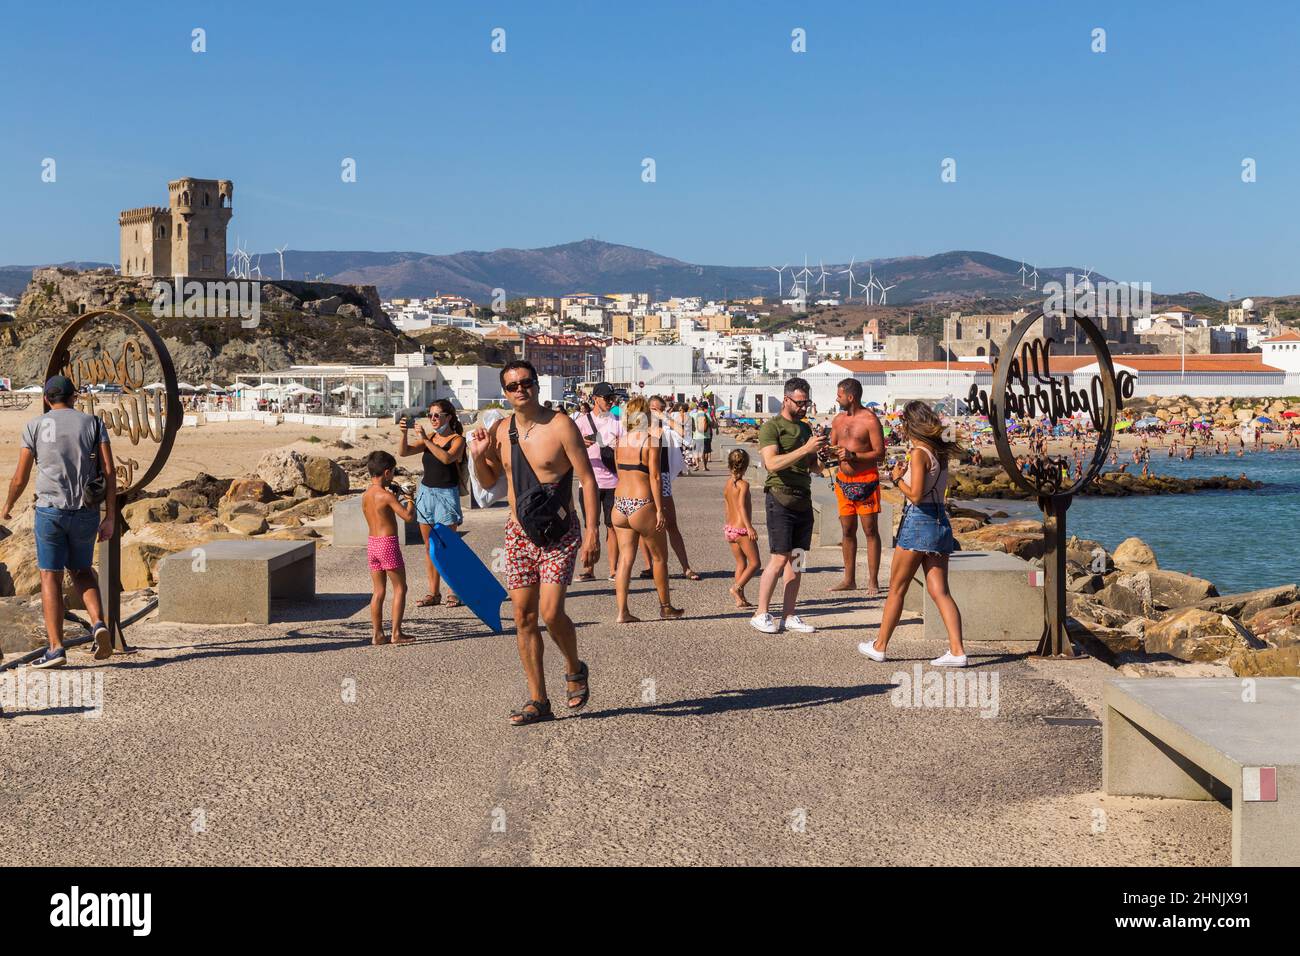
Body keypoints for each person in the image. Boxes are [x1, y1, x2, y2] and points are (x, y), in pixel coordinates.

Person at [468, 360, 600, 726]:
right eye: (512, 386)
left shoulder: (561, 426)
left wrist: (592, 531)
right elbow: (490, 480)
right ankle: (538, 700)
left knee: (551, 612)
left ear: (537, 386)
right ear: (505, 392)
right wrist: (478, 458)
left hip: (559, 533)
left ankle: (574, 667)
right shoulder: (499, 430)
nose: (520, 389)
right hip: (518, 532)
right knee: (523, 616)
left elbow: (587, 481)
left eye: (526, 383)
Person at [2, 375, 116, 667]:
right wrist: (111, 516)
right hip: (85, 511)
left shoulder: (35, 426)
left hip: (50, 511)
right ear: (74, 396)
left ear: (45, 399)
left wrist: (7, 506)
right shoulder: (93, 423)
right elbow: (110, 470)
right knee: (81, 570)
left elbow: (20, 477)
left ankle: (55, 648)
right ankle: (98, 623)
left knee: (49, 576)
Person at [858, 400, 967, 667]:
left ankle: (880, 646)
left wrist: (896, 480)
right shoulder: (939, 453)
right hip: (940, 520)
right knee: (940, 590)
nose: (900, 428)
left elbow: (916, 495)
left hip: (919, 522)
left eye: (902, 423)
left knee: (897, 588)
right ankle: (957, 650)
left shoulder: (919, 454)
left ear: (910, 424)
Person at [751, 377, 825, 634]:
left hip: (802, 496)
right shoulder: (772, 427)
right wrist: (805, 449)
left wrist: (828, 458)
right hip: (780, 496)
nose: (804, 407)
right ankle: (761, 612)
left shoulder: (805, 429)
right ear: (786, 400)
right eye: (800, 402)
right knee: (779, 557)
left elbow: (814, 466)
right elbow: (772, 464)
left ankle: (789, 614)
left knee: (797, 559)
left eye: (807, 402)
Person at [610, 396, 684, 622]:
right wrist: (660, 509)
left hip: (620, 504)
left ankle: (622, 612)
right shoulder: (651, 441)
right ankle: (666, 607)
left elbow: (619, 474)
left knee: (625, 559)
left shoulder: (619, 442)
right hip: (642, 503)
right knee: (659, 558)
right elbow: (654, 477)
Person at [398, 399, 466, 608]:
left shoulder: (458, 440)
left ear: (449, 417)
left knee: (447, 546)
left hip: (446, 495)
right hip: (426, 494)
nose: (433, 419)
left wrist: (426, 440)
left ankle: (454, 591)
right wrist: (404, 433)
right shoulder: (430, 438)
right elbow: (404, 452)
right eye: (430, 415)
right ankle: (433, 592)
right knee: (429, 547)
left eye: (437, 415)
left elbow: (447, 458)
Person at [827, 378, 885, 595]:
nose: (836, 398)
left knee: (870, 530)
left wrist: (854, 455)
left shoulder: (870, 420)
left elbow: (880, 454)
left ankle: (873, 581)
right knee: (847, 530)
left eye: (839, 395)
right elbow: (832, 445)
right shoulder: (838, 420)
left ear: (850, 397)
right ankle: (849, 579)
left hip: (866, 480)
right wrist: (826, 451)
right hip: (843, 481)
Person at [634, 395, 700, 582]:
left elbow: (683, 434)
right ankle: (649, 565)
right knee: (642, 526)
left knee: (671, 523)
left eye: (662, 408)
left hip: (661, 477)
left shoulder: (664, 429)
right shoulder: (640, 428)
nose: (658, 412)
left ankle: (685, 567)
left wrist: (664, 417)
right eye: (655, 408)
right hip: (643, 477)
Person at [362, 450, 416, 646]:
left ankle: (377, 634)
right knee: (400, 587)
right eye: (392, 472)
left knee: (378, 591)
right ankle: (396, 633)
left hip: (373, 544)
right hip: (388, 543)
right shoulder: (385, 496)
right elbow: (408, 517)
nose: (393, 476)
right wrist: (410, 499)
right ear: (386, 473)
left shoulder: (367, 495)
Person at [574, 382, 623, 581]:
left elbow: (626, 449)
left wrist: (619, 446)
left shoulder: (618, 421)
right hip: (588, 483)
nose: (611, 402)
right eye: (607, 398)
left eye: (613, 398)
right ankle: (589, 569)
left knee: (613, 527)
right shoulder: (580, 422)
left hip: (613, 482)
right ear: (595, 398)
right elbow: (568, 448)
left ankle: (613, 570)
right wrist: (579, 444)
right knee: (589, 526)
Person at [723, 448, 760, 607]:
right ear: (745, 467)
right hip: (741, 529)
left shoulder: (727, 484)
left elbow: (727, 507)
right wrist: (749, 527)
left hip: (730, 529)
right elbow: (741, 507)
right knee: (755, 564)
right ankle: (737, 588)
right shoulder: (744, 485)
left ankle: (740, 599)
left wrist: (728, 526)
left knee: (741, 564)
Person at [691, 401, 716, 471]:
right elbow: (712, 424)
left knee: (696, 451)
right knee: (705, 452)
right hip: (706, 436)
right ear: (706, 407)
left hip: (696, 436)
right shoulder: (707, 414)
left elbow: (691, 424)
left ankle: (697, 465)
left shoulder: (693, 414)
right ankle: (705, 467)